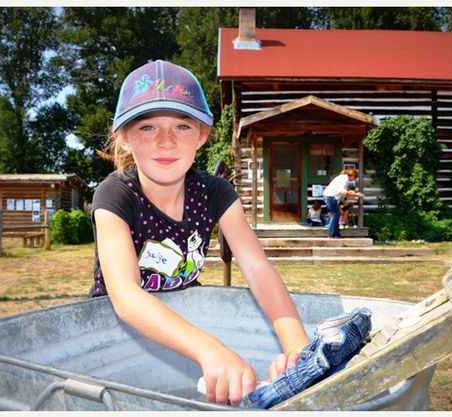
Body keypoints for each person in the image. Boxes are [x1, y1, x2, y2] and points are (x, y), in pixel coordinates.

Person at [89, 60, 309, 406]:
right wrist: (211, 350)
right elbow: (126, 295)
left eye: (181, 125)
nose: (166, 141)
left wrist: (297, 345)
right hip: (119, 339)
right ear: (124, 137)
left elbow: (257, 268)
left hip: (187, 323)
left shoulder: (215, 192)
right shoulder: (115, 194)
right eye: (147, 127)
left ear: (202, 135)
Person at [322, 170, 352, 238]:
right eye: (355, 177)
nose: (354, 179)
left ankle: (336, 234)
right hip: (331, 196)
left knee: (336, 214)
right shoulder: (344, 178)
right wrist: (349, 193)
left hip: (331, 196)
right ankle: (332, 234)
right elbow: (340, 189)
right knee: (335, 215)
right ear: (352, 176)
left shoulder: (342, 177)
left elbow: (340, 192)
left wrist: (344, 198)